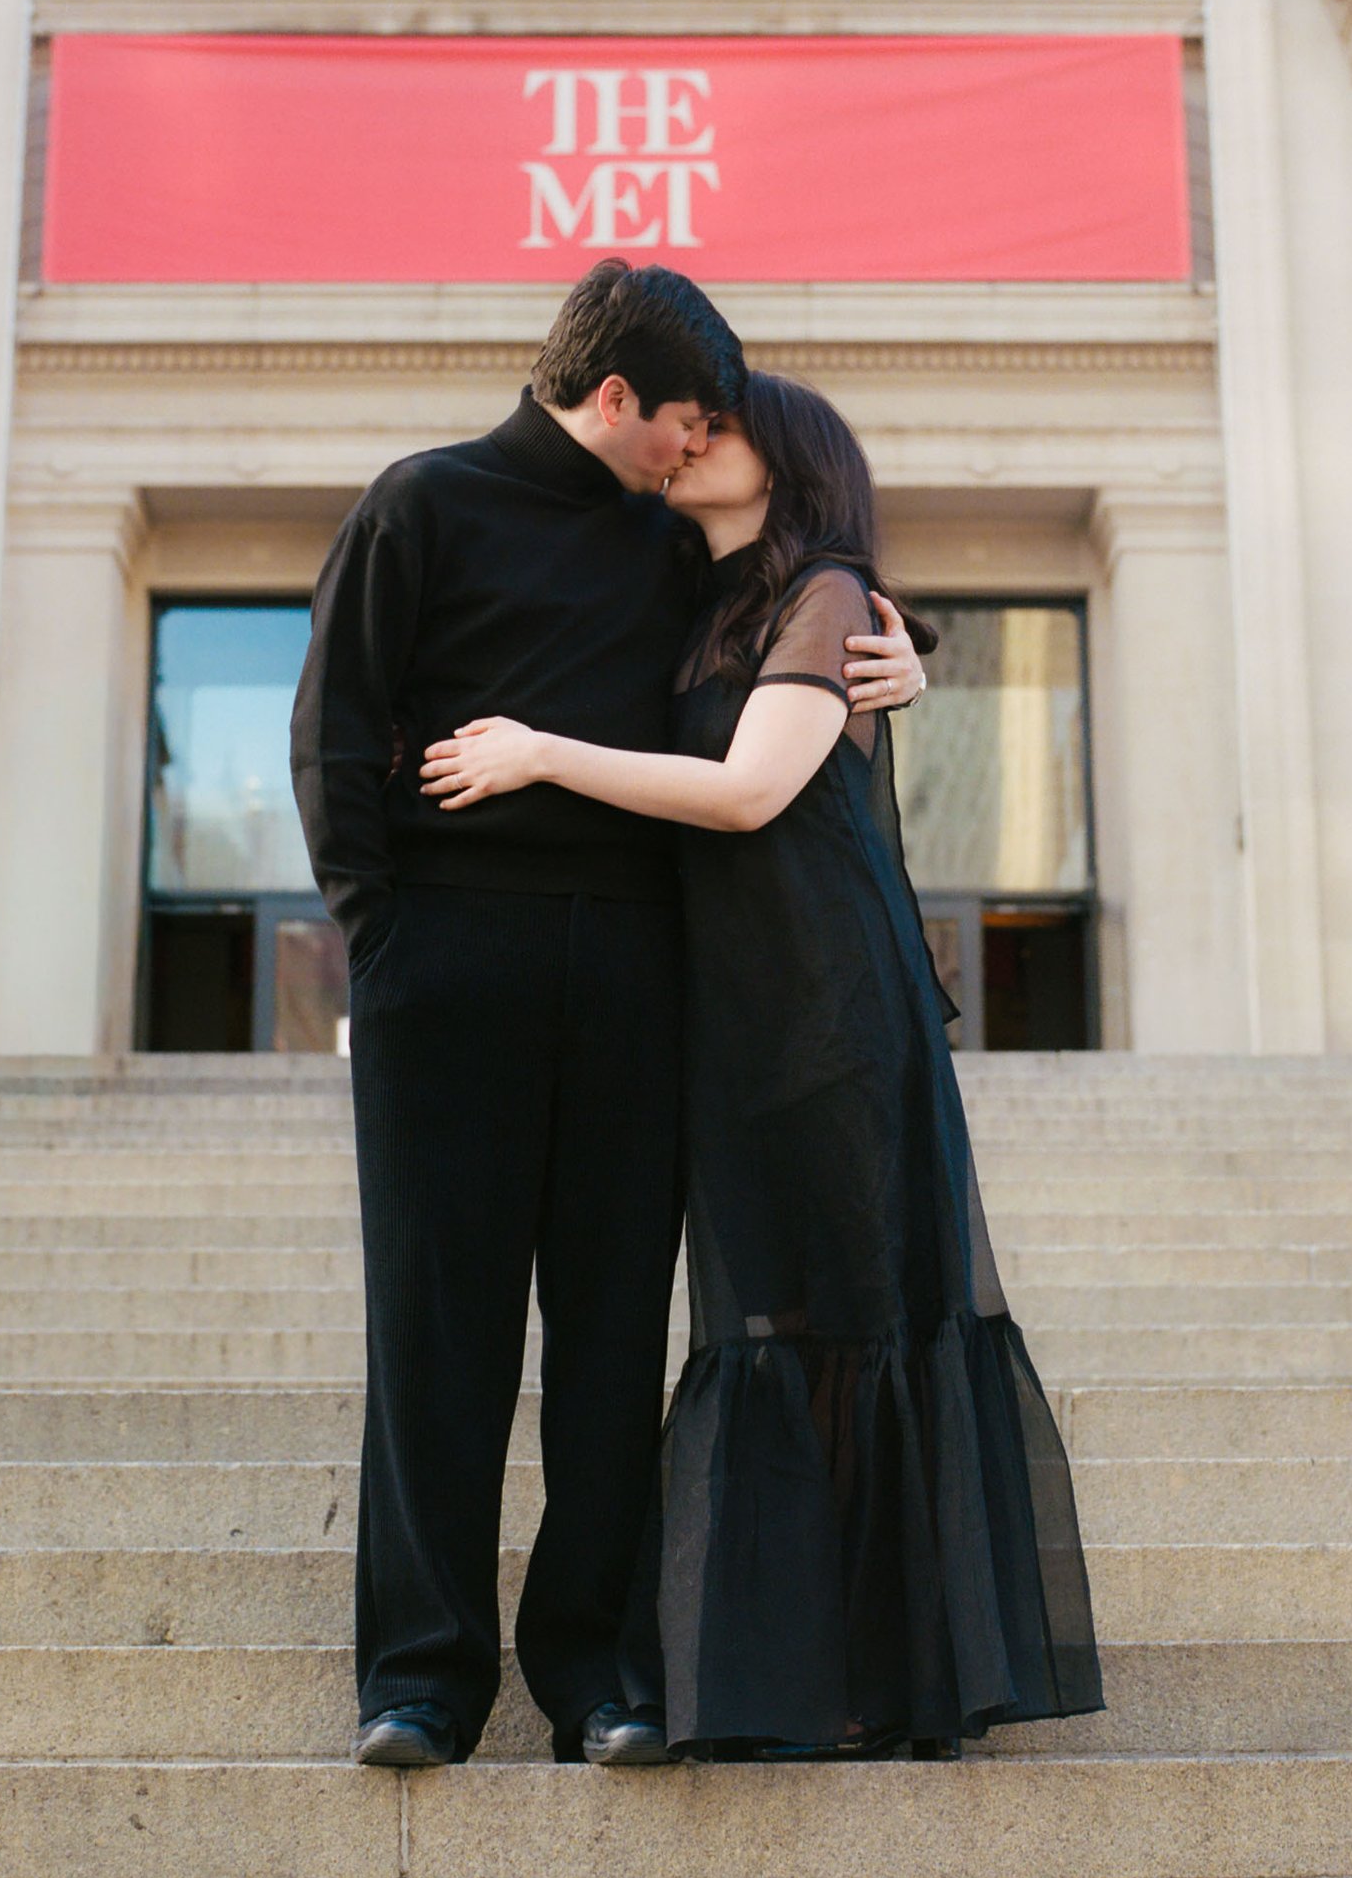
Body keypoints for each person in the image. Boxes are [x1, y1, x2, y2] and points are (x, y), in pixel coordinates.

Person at [290, 264, 927, 1769]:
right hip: (447, 973)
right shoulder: (419, 504)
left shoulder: (676, 548)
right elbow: (330, 733)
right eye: (685, 419)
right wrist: (386, 952)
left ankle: (599, 1672)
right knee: (435, 1335)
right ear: (619, 396)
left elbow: (788, 642)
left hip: (642, 978)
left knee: (606, 1343)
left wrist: (910, 660)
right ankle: (421, 1677)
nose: (695, 449)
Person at [421, 370, 1104, 1757]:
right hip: (729, 1017)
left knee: (848, 1316)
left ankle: (875, 1670)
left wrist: (541, 751)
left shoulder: (830, 596)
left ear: (785, 460)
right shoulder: (705, 601)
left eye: (717, 428)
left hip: (833, 1006)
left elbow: (745, 791)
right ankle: (797, 1663)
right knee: (772, 1324)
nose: (686, 441)